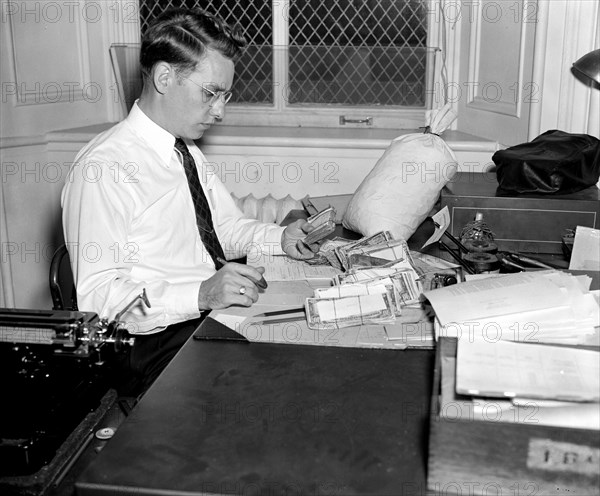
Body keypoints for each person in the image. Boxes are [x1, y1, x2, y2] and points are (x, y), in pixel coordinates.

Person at [61, 7, 315, 395]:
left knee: (306, 346)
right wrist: (200, 293)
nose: (220, 111)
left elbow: (223, 228)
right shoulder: (104, 168)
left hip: (201, 314)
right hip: (151, 344)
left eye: (225, 96)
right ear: (164, 77)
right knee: (278, 387)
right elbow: (100, 301)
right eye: (211, 93)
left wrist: (279, 240)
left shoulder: (184, 148)